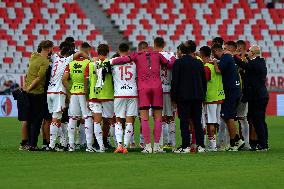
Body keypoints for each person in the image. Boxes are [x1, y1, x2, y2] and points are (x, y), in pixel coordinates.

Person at [111, 41, 175, 153]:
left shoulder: (136, 55)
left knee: (144, 118)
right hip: (156, 87)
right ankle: (156, 146)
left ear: (139, 48)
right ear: (148, 47)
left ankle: (148, 147)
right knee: (158, 118)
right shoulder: (157, 54)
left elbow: (124, 59)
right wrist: (174, 56)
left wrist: (111, 61)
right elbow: (170, 64)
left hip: (143, 88)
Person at [47, 42, 88, 151]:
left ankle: (62, 143)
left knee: (55, 118)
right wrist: (88, 59)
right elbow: (80, 53)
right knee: (56, 119)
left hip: (49, 91)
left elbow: (52, 54)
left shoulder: (55, 58)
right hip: (58, 92)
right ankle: (52, 145)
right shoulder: (67, 60)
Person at [171, 41, 207, 153]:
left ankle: (186, 146)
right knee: (197, 121)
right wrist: (203, 96)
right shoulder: (199, 63)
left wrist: (173, 97)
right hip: (197, 96)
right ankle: (201, 145)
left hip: (183, 97)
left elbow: (175, 81)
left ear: (181, 51)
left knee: (184, 122)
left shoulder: (178, 63)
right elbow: (203, 81)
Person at [235, 45, 269, 151]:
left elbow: (245, 66)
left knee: (257, 120)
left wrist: (233, 57)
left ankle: (263, 144)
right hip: (260, 95)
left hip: (257, 96)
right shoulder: (260, 62)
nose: (247, 52)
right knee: (260, 120)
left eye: (249, 51)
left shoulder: (256, 63)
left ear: (253, 53)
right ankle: (263, 142)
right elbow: (249, 75)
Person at [211, 44, 244, 151]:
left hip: (231, 92)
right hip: (235, 90)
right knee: (227, 116)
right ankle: (238, 139)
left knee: (229, 117)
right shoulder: (229, 58)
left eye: (213, 53)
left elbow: (218, 71)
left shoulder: (225, 57)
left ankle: (234, 144)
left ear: (216, 51)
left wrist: (215, 62)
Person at [62, 42, 94, 152]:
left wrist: (70, 91)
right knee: (87, 117)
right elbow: (89, 79)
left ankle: (71, 145)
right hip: (84, 93)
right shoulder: (89, 63)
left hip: (74, 92)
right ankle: (89, 146)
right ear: (87, 51)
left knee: (72, 118)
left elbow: (64, 79)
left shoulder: (71, 63)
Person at [24, 40, 54, 151]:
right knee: (37, 120)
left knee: (30, 119)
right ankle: (33, 145)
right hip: (37, 92)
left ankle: (27, 143)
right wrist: (29, 88)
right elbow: (39, 78)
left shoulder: (33, 56)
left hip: (29, 92)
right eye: (52, 48)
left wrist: (26, 87)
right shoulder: (44, 62)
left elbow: (27, 74)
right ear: (48, 49)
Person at [84, 44, 114, 153]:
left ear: (97, 51)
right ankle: (109, 142)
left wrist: (87, 97)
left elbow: (86, 82)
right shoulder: (110, 63)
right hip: (108, 95)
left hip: (94, 96)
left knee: (97, 121)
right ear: (107, 52)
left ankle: (100, 146)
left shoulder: (90, 64)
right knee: (109, 121)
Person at [111, 43, 138, 154]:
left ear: (118, 50)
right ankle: (126, 146)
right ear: (128, 51)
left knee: (118, 119)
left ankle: (119, 145)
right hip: (132, 93)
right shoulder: (134, 62)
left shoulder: (113, 62)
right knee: (129, 120)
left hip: (119, 94)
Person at [225, 41, 250, 150]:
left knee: (242, 118)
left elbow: (242, 70)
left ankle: (246, 142)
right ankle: (235, 141)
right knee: (231, 118)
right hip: (235, 92)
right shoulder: (233, 59)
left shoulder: (243, 61)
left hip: (242, 93)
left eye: (240, 49)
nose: (238, 50)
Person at [199, 46, 225, 152]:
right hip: (220, 96)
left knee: (210, 122)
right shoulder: (216, 64)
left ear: (201, 55)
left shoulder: (206, 67)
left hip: (210, 98)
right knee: (216, 122)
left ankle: (212, 145)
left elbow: (203, 83)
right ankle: (217, 143)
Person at [154, 37, 176, 151]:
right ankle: (173, 144)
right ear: (164, 44)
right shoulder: (171, 55)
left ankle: (159, 145)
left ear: (154, 45)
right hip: (169, 89)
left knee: (159, 117)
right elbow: (173, 66)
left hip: (157, 90)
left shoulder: (152, 56)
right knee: (171, 117)